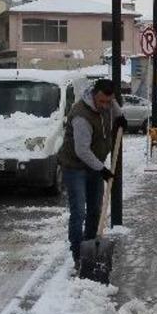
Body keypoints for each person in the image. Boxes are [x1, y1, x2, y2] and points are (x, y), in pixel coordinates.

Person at [58, 79, 126, 268]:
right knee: (79, 211)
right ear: (94, 94)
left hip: (93, 164)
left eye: (108, 102)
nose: (105, 106)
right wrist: (102, 169)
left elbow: (113, 105)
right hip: (75, 166)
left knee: (95, 209)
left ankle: (90, 247)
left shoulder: (108, 102)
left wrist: (120, 116)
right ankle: (78, 253)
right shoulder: (81, 115)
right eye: (102, 101)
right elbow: (82, 151)